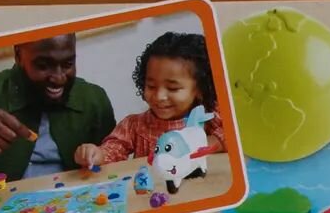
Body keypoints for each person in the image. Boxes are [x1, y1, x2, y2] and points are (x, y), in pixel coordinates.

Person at [0, 34, 116, 189]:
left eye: (68, 65)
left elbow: (114, 168)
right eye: (43, 66)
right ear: (18, 55)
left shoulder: (93, 100)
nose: (59, 78)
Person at [73, 32, 225, 167]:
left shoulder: (210, 117)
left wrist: (212, 142)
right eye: (151, 86)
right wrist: (96, 154)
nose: (159, 96)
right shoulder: (134, 125)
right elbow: (113, 150)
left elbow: (232, 133)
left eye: (172, 88)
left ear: (200, 89)